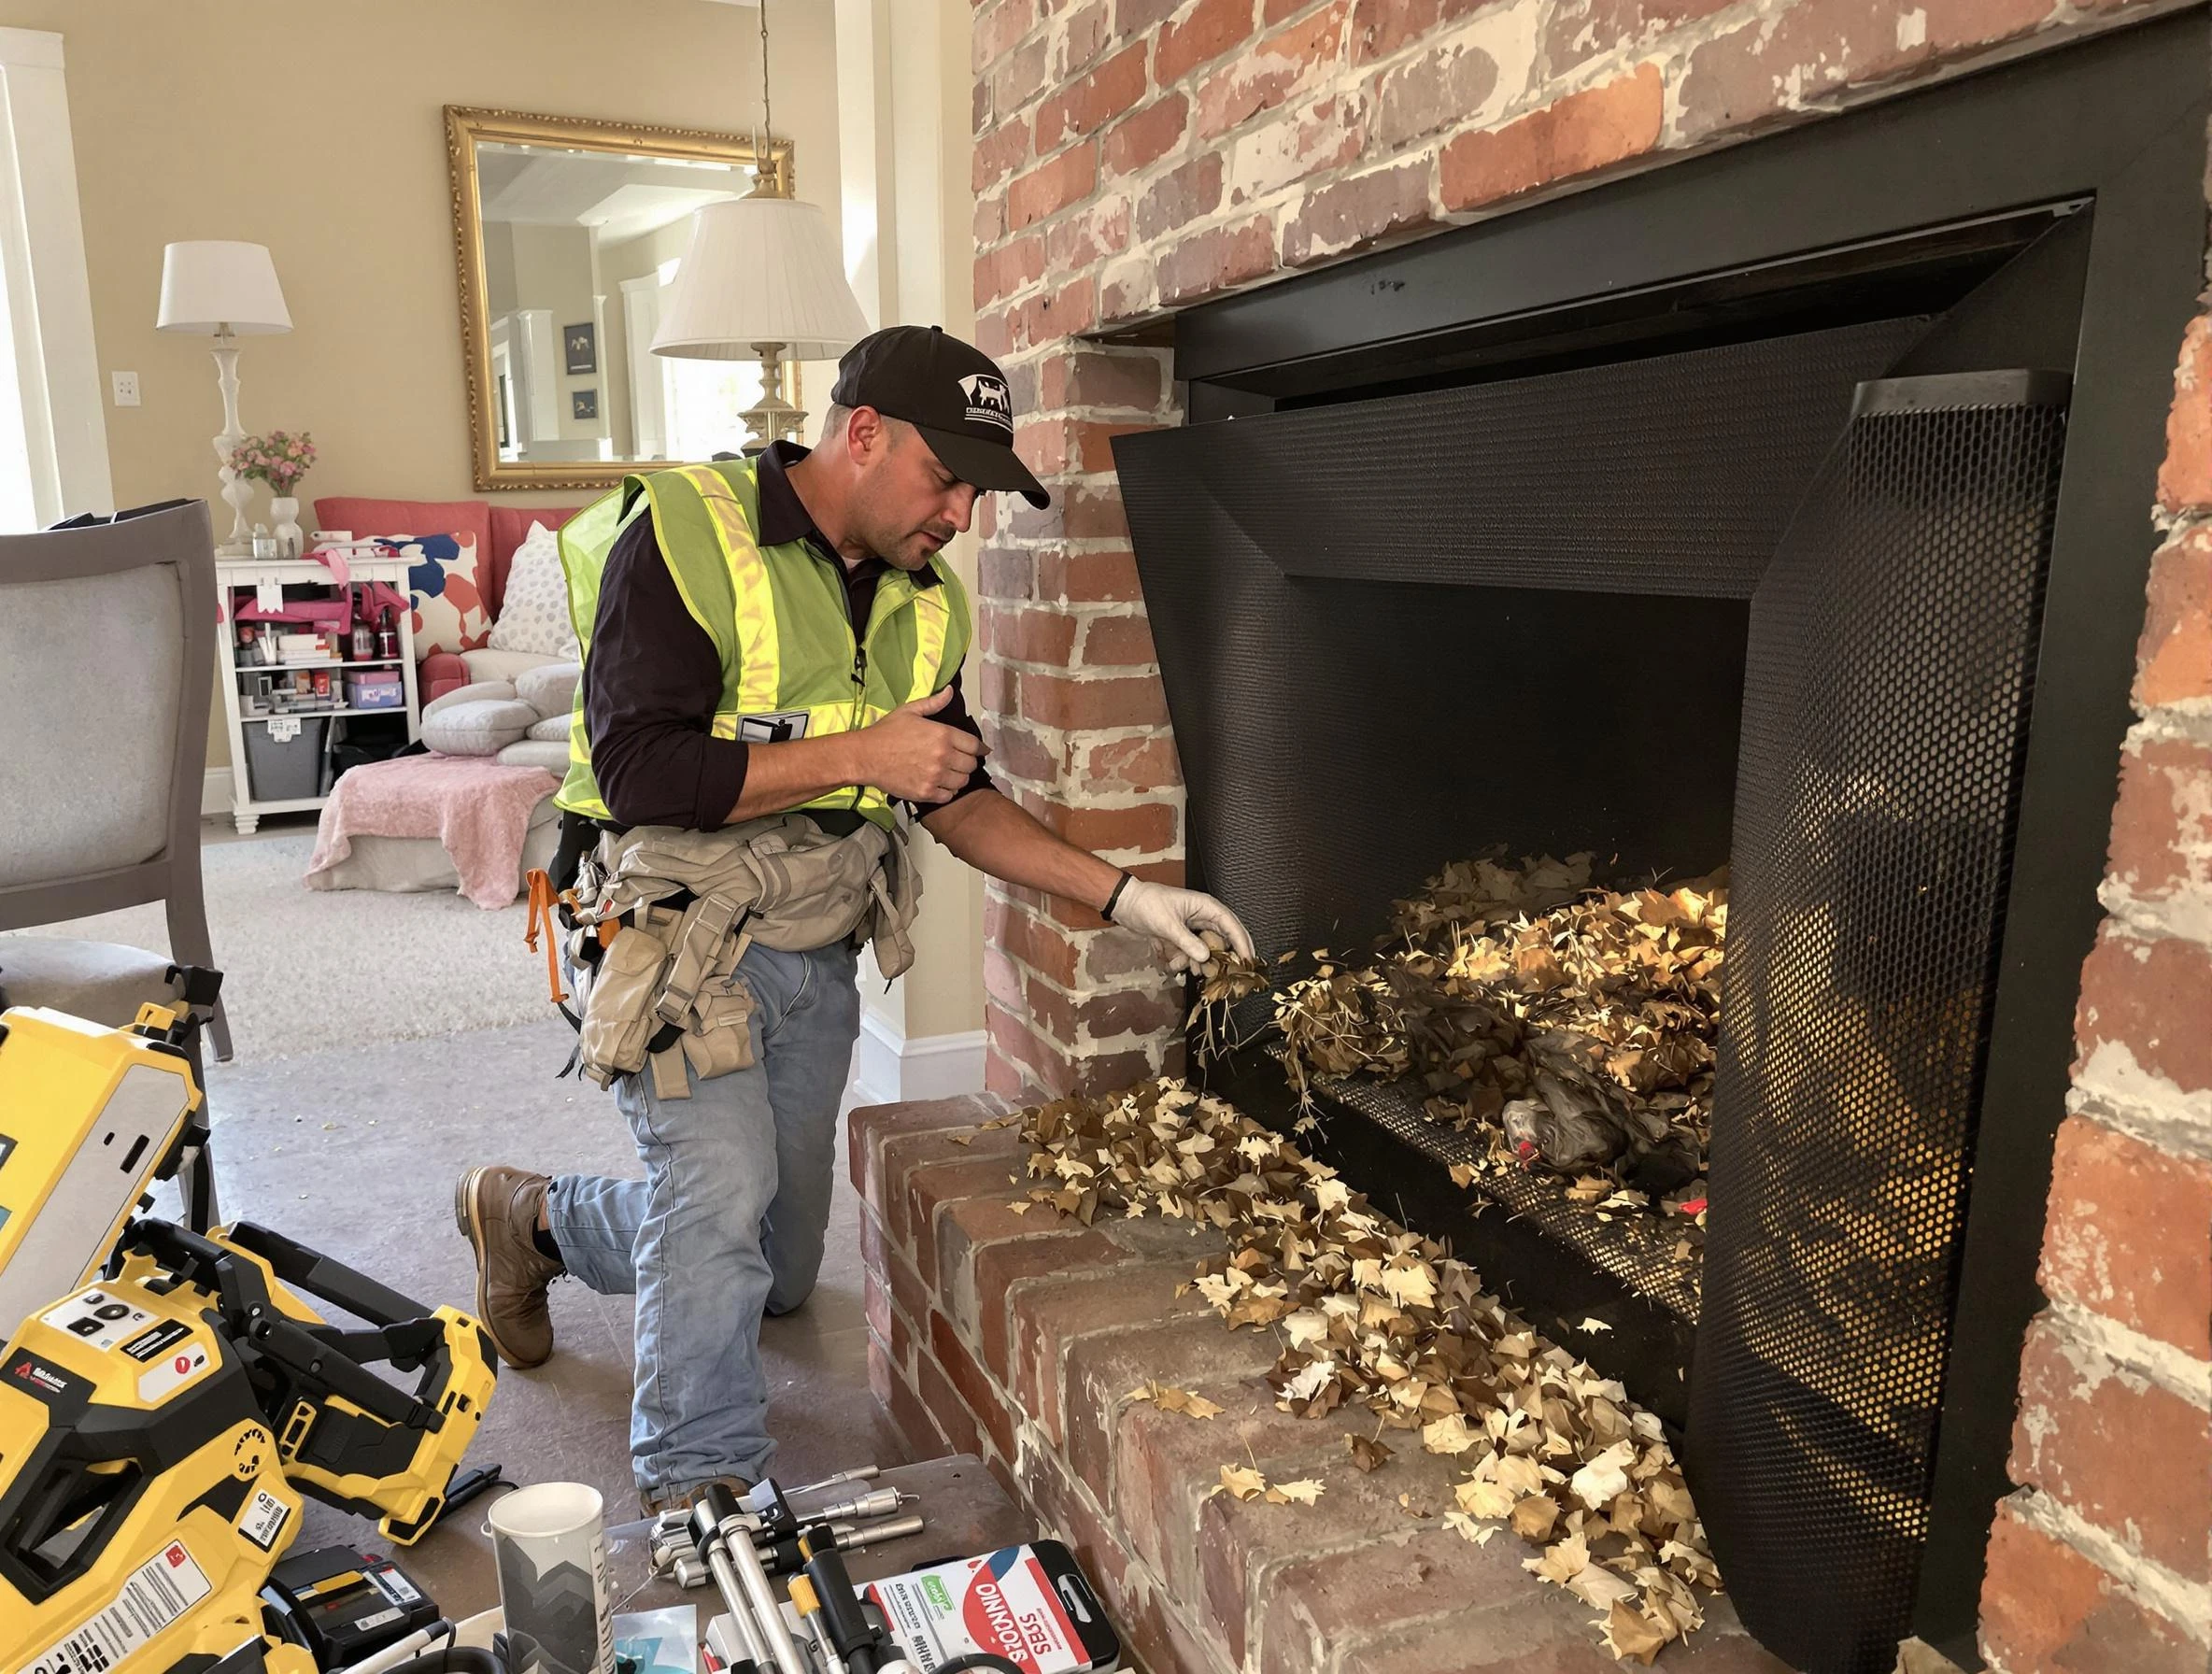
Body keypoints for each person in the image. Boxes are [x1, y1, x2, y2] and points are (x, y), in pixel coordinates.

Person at [454, 325, 1253, 1515]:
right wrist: (866, 750)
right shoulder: (687, 534)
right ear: (863, 434)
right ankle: (698, 1492)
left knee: (773, 1265)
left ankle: (532, 1219)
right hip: (674, 936)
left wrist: (1130, 898)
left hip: (812, 939)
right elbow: (634, 770)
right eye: (949, 478)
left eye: (981, 488)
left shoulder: (926, 608)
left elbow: (957, 794)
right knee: (717, 1210)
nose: (965, 514)